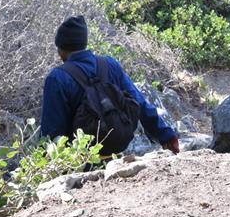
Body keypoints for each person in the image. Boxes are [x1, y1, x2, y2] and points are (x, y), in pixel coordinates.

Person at [41, 16, 180, 154]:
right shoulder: (109, 64)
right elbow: (139, 102)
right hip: (112, 155)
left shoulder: (57, 78)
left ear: (61, 47)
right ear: (83, 43)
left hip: (79, 161)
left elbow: (52, 132)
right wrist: (166, 135)